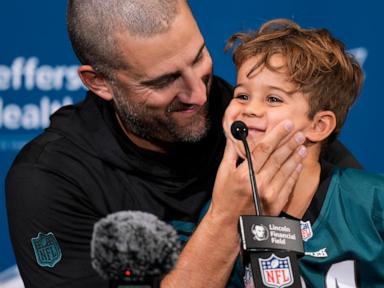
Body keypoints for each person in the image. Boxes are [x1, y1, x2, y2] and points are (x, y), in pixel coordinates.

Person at [5, 1, 360, 287]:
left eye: (199, 58)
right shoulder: (50, 180)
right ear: (99, 82)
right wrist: (227, 218)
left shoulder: (258, 123)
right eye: (165, 81)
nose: (198, 93)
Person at [223, 18, 384, 287]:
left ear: (319, 126)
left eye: (273, 99)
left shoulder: (373, 201)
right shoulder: (218, 214)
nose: (249, 110)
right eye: (242, 95)